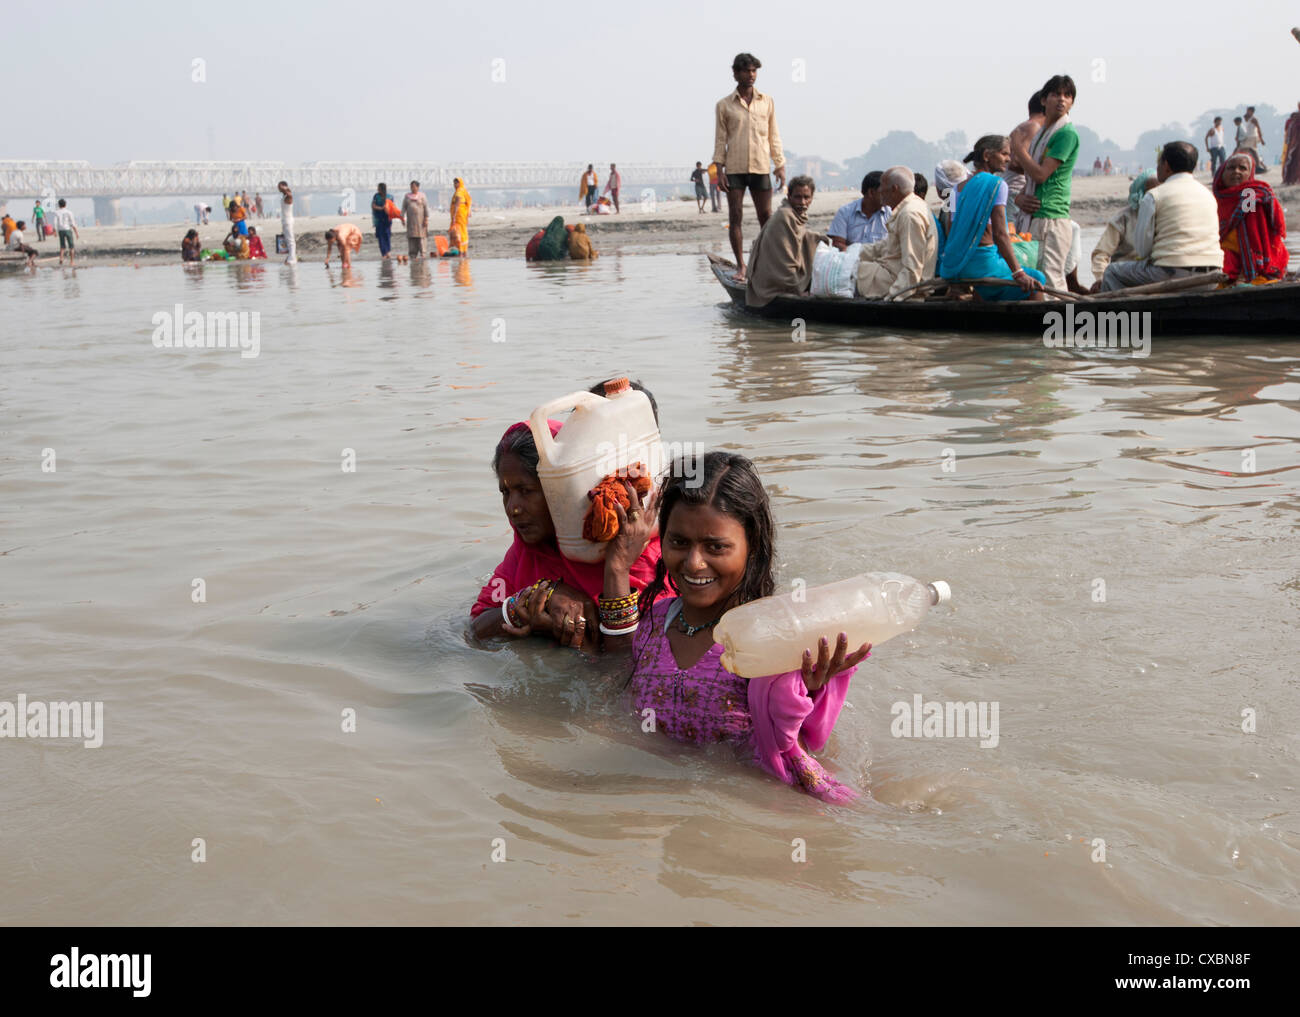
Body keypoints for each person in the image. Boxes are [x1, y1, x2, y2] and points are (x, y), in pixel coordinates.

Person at [594, 450, 869, 802]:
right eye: (679, 542)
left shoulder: (775, 640)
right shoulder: (654, 622)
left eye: (716, 547)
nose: (694, 563)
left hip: (744, 810)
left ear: (751, 546)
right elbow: (615, 668)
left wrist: (806, 692)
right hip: (655, 806)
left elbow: (791, 750)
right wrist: (616, 566)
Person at [468, 412, 665, 647]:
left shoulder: (637, 550)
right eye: (505, 492)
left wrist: (617, 570)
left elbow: (637, 659)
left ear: (563, 489)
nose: (513, 509)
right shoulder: (526, 555)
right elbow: (475, 630)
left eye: (526, 491)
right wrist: (537, 598)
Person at [1101, 142, 1223, 291]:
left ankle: (1123, 313)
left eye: (1158, 163)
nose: (1157, 167)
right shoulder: (1208, 195)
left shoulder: (1154, 195)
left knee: (1112, 272)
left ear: (1166, 165)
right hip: (1212, 276)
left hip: (1172, 274)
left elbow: (1142, 250)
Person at [938, 134, 1046, 301]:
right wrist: (1019, 273)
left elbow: (951, 232)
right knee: (1037, 277)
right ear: (987, 155)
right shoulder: (997, 185)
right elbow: (1000, 235)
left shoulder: (954, 190)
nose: (1008, 159)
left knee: (996, 280)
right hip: (983, 264)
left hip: (957, 267)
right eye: (1004, 154)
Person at [714, 52, 786, 282]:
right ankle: (741, 266)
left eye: (754, 70)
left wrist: (780, 164)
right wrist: (719, 170)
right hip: (734, 167)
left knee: (766, 216)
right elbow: (720, 139)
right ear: (735, 73)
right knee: (735, 216)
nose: (751, 75)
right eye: (746, 70)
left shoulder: (767, 101)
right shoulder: (724, 105)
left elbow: (774, 135)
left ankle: (768, 263)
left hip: (761, 165)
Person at [1010, 74, 1080, 293]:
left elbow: (1041, 175)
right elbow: (1031, 178)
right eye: (1055, 94)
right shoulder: (1043, 134)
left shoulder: (1066, 133)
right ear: (1043, 100)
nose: (1061, 100)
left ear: (1072, 103)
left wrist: (1018, 149)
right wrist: (1020, 197)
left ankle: (1063, 323)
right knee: (1036, 275)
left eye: (1067, 96)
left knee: (1050, 279)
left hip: (1052, 216)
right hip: (1035, 216)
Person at [854, 166, 938, 299]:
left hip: (899, 283)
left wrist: (894, 297)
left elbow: (912, 269)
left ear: (894, 189)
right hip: (891, 273)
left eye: (882, 186)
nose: (880, 190)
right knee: (848, 265)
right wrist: (853, 252)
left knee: (848, 275)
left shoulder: (909, 214)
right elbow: (886, 246)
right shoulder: (909, 207)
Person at [744, 175, 826, 308]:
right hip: (768, 284)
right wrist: (797, 289)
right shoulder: (785, 216)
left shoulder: (794, 216)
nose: (802, 202)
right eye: (798, 197)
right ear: (789, 197)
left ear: (812, 198)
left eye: (806, 197)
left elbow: (801, 237)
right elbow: (786, 260)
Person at [1212, 151, 1288, 284]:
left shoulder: (1252, 195)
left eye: (1242, 168)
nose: (1236, 171)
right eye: (1231, 168)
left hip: (1255, 265)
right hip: (1224, 262)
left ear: (1250, 174)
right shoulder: (1215, 199)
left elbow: (1250, 228)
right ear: (1222, 174)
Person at [1089, 170, 1159, 291]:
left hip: (1154, 277)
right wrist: (1101, 278)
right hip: (1125, 280)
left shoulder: (1165, 215)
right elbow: (1101, 254)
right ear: (1141, 193)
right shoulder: (1123, 218)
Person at [1005, 90, 1046, 230]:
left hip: (1013, 190)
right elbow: (1016, 160)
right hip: (1015, 190)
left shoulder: (1025, 126)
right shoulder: (1034, 127)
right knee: (1015, 237)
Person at [827, 171, 890, 251]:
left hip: (882, 261)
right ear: (871, 193)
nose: (888, 196)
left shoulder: (891, 214)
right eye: (883, 192)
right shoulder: (845, 212)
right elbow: (838, 243)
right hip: (851, 260)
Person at [402, 180, 432, 259]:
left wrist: (426, 219)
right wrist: (402, 218)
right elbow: (403, 207)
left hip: (421, 221)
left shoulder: (422, 196)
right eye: (411, 187)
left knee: (421, 237)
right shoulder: (407, 196)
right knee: (412, 237)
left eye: (414, 187)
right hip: (411, 221)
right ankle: (412, 254)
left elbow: (426, 207)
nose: (413, 188)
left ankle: (423, 253)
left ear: (418, 187)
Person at [449, 178, 471, 255]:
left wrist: (454, 216)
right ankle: (464, 250)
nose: (455, 185)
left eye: (456, 183)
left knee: (459, 232)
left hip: (459, 214)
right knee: (463, 231)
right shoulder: (463, 190)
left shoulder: (459, 191)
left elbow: (457, 202)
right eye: (454, 184)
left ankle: (461, 251)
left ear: (460, 183)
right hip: (462, 214)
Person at [53, 199, 78, 266]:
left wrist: (54, 231)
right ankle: (72, 262)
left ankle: (61, 259)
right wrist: (76, 232)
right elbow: (72, 223)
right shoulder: (69, 212)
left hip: (61, 230)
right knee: (71, 247)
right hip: (67, 229)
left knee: (62, 246)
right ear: (65, 204)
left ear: (59, 205)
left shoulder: (56, 212)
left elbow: (55, 223)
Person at [371, 183, 393, 260]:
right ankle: (383, 253)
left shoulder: (390, 197)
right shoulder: (376, 196)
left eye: (379, 188)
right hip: (379, 219)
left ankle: (388, 252)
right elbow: (373, 206)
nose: (377, 189)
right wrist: (381, 208)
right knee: (380, 236)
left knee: (387, 235)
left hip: (387, 219)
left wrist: (387, 209)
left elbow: (392, 207)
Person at [278, 180, 296, 264]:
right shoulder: (284, 197)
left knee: (291, 240)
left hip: (288, 220)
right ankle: (290, 256)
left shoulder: (289, 197)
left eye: (279, 186)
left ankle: (292, 259)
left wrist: (285, 188)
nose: (278, 188)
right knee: (287, 240)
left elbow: (290, 194)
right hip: (284, 221)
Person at [1285, 102, 1300, 186]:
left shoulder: (1295, 119)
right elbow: (1290, 132)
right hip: (1295, 144)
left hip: (1294, 144)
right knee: (1294, 161)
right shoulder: (1295, 118)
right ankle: (1291, 179)